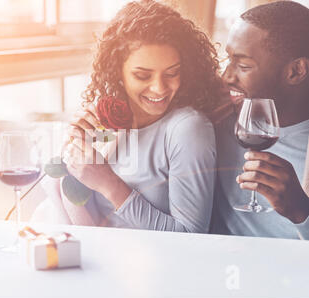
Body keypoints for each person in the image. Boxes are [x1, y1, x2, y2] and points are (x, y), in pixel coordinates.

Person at [42, 0, 224, 232]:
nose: (159, 88)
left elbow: (191, 235)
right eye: (142, 75)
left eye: (172, 73)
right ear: (118, 72)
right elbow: (71, 199)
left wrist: (109, 184)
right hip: (96, 256)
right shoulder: (107, 120)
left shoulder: (187, 128)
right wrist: (75, 148)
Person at [210, 1, 309, 239]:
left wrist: (302, 212)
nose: (227, 77)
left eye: (243, 65)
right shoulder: (219, 116)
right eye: (229, 60)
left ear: (295, 71)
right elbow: (118, 134)